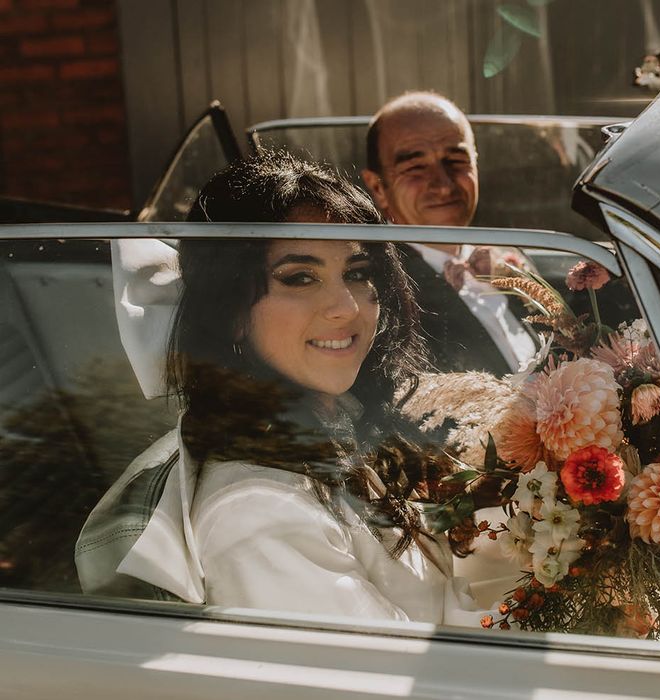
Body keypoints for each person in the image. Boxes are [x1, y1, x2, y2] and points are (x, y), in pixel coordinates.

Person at [75, 151, 480, 624]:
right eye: (300, 277)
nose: (346, 307)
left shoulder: (337, 428)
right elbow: (394, 680)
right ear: (231, 313)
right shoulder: (259, 513)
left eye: (357, 272)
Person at [361, 91, 537, 376]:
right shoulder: (380, 290)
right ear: (378, 187)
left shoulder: (509, 254)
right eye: (416, 167)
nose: (443, 185)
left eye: (456, 160)